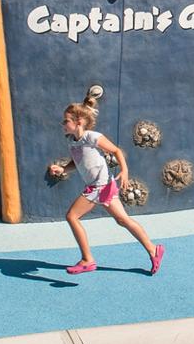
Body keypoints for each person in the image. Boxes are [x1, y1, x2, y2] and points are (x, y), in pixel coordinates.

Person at [47, 102, 163, 276]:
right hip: (103, 186)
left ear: (78, 122)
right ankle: (154, 250)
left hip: (100, 185)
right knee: (123, 220)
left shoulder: (92, 137)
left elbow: (116, 151)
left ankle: (87, 260)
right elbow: (78, 162)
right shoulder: (72, 142)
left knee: (72, 216)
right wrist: (64, 168)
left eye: (65, 121)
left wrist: (124, 171)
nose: (62, 124)